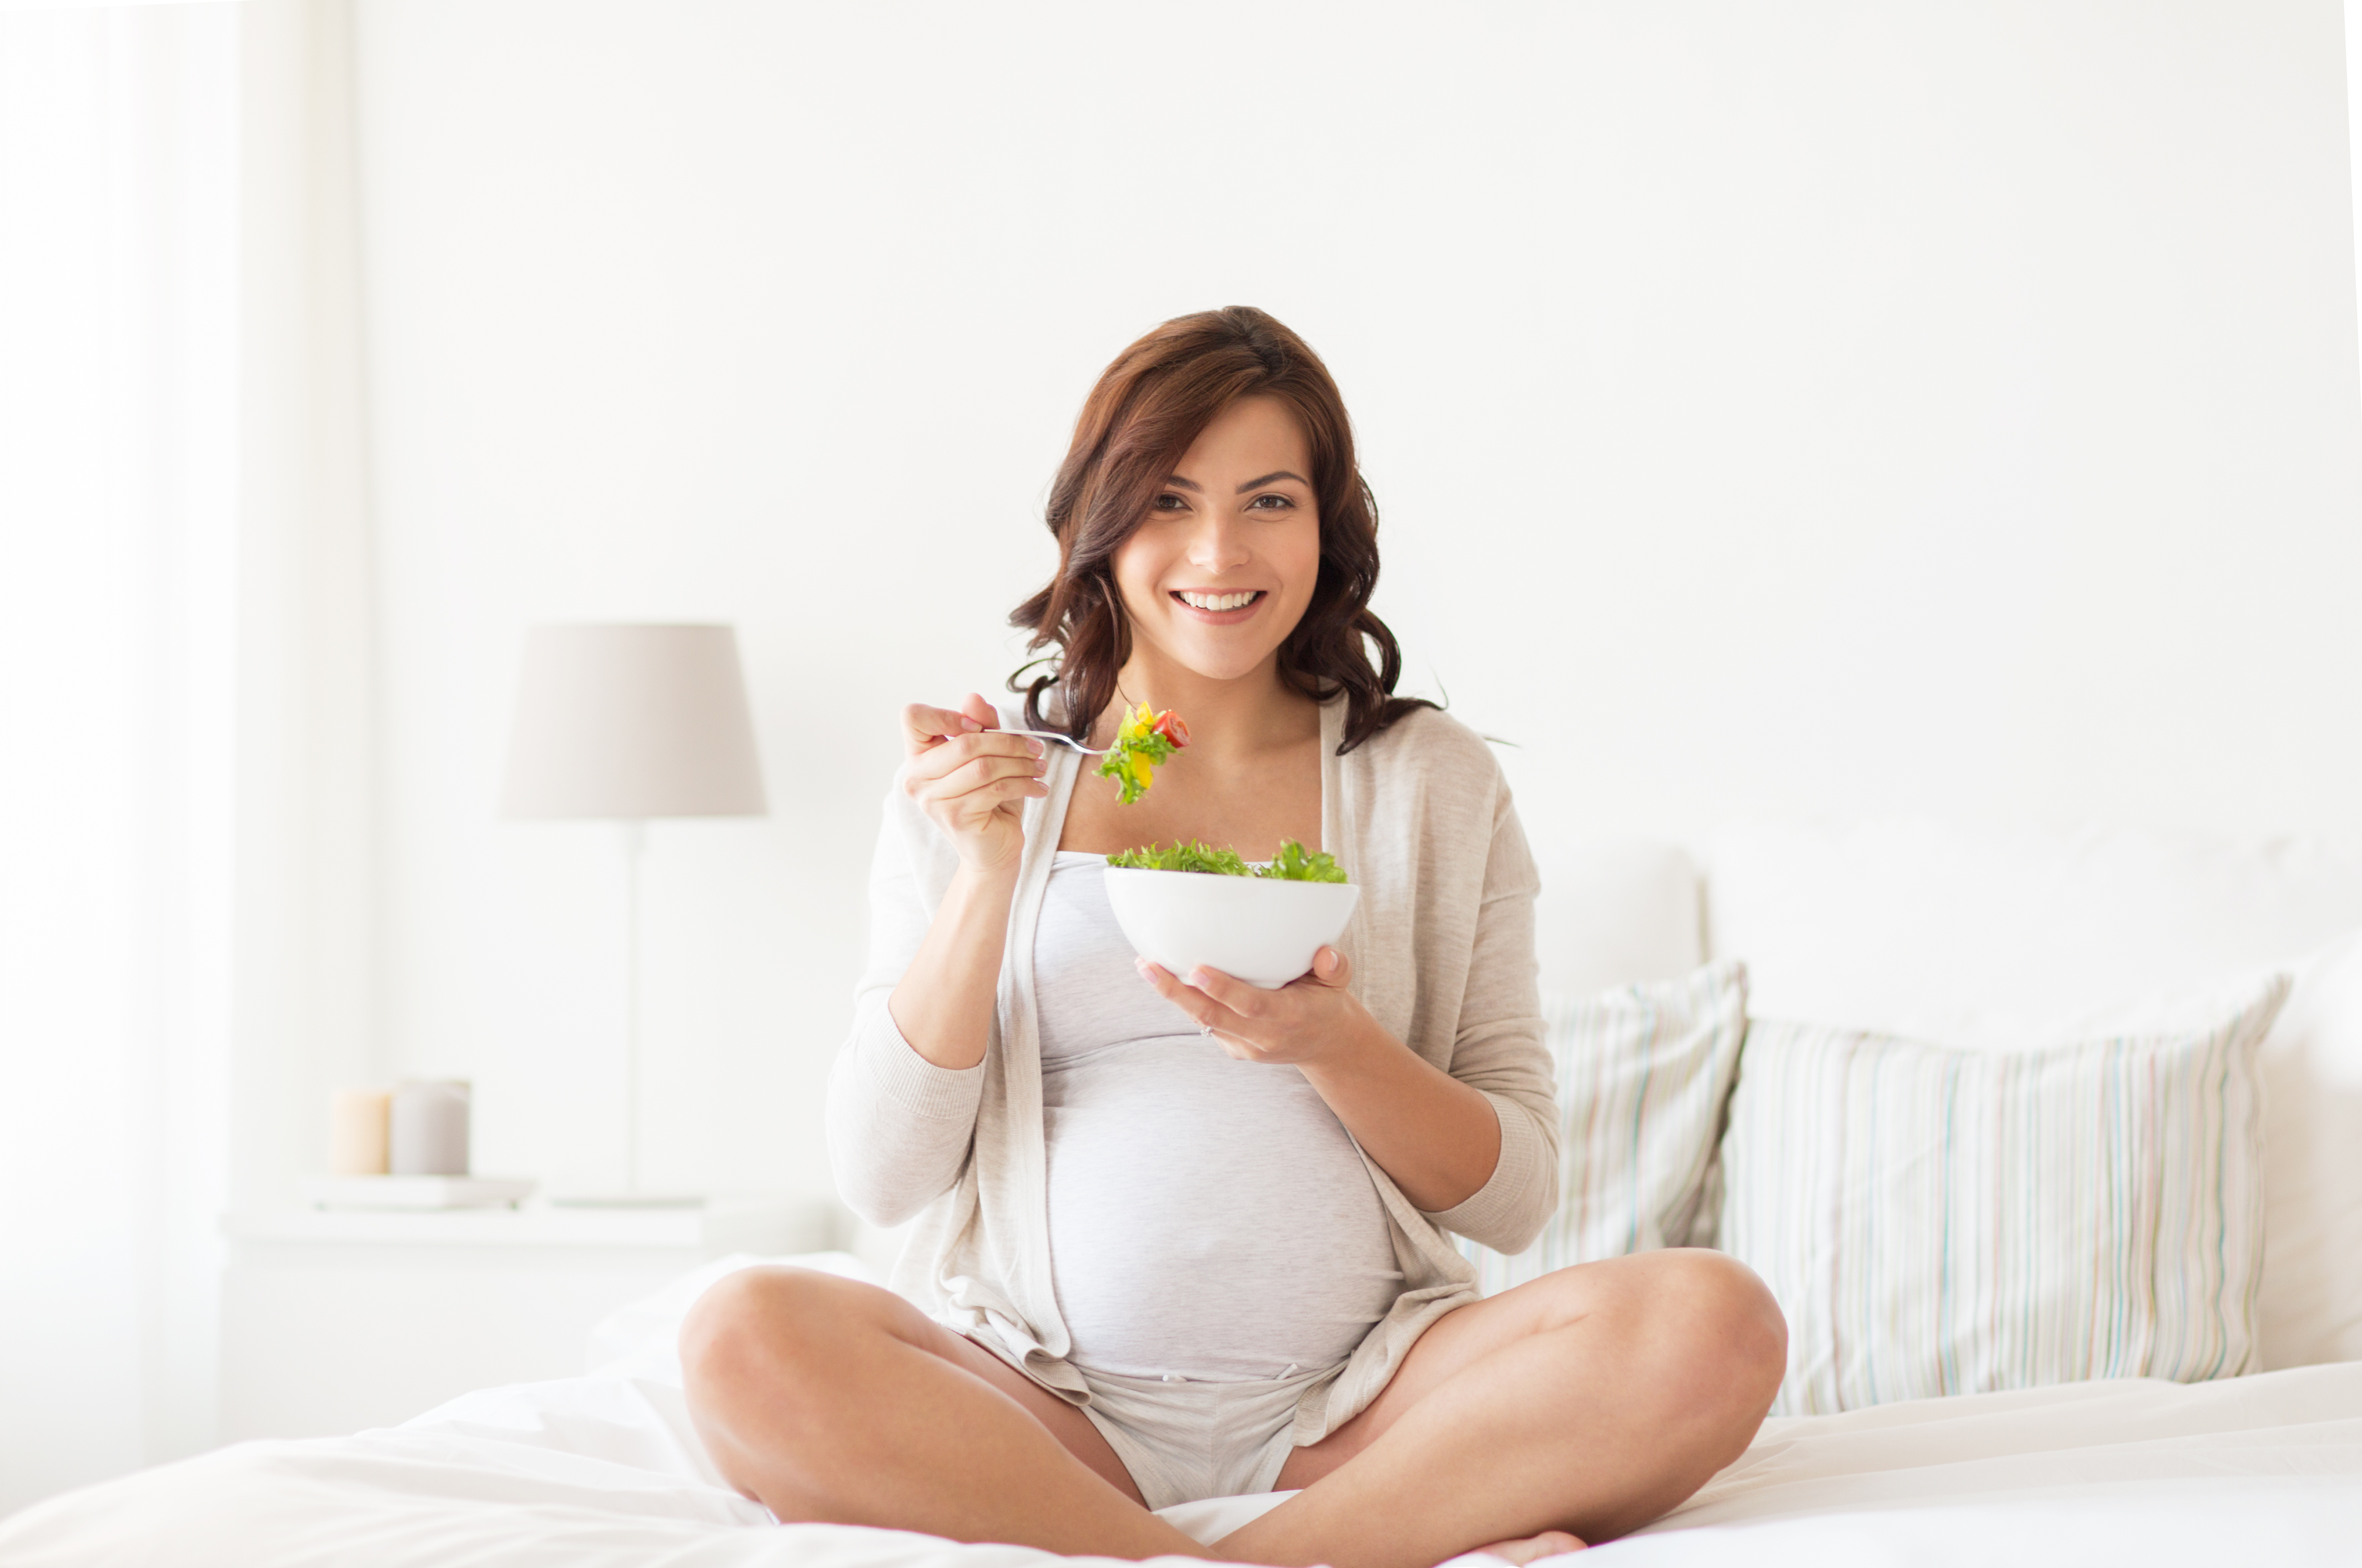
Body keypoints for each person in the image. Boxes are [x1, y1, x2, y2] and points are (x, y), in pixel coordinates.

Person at [680, 307, 1785, 1567]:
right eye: (1166, 500)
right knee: (741, 1333)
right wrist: (990, 876)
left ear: (1328, 526)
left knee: (1717, 1318)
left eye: (1269, 501)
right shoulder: (979, 783)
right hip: (1045, 1407)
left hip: (1370, 1408)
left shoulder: (1427, 780)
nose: (1218, 550)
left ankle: (1243, 1555)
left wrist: (1337, 1043)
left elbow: (1518, 1195)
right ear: (1099, 526)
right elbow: (882, 1175)